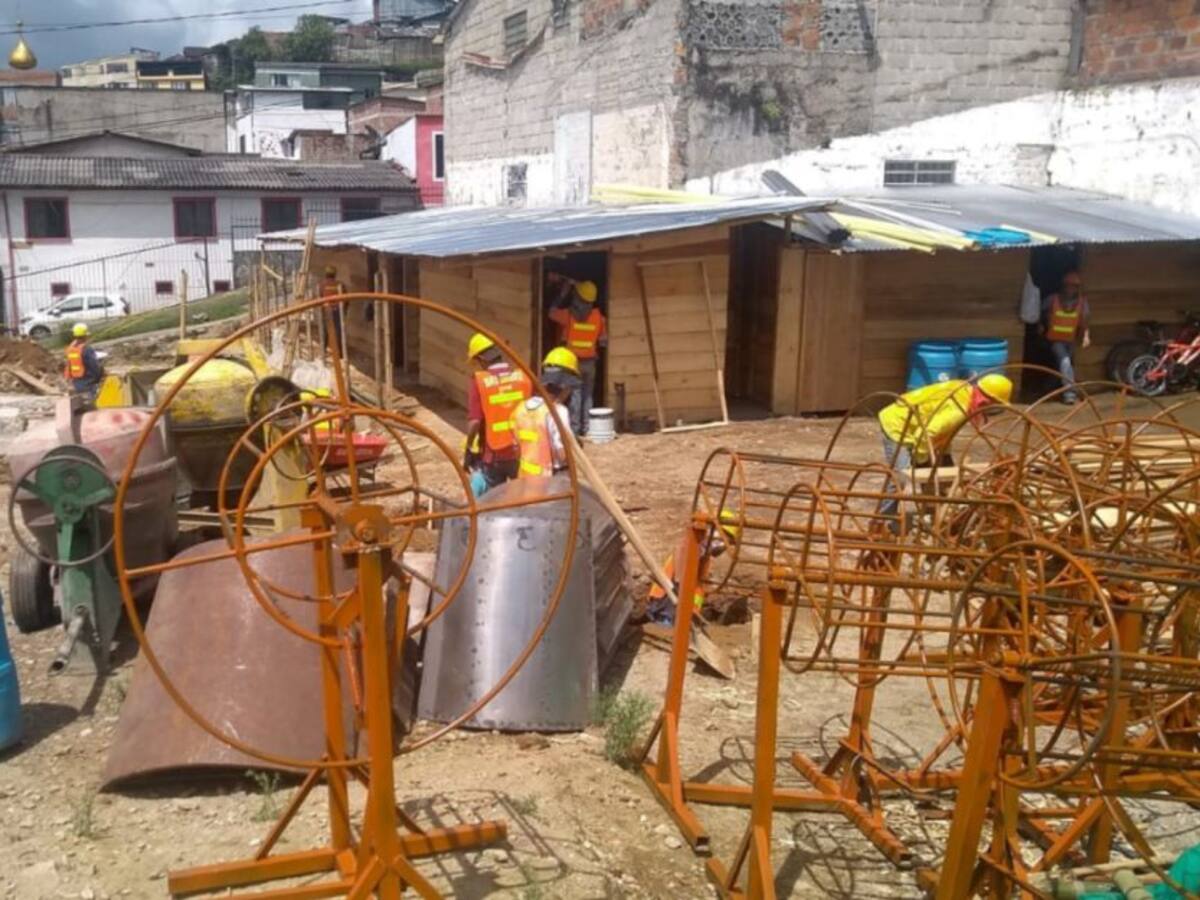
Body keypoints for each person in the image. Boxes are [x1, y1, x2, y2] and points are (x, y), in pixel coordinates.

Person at [876, 373, 1013, 525]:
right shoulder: (958, 411)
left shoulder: (964, 389)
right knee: (900, 475)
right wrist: (922, 460)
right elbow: (925, 434)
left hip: (916, 422)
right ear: (985, 401)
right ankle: (885, 519)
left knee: (937, 469)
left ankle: (932, 512)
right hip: (898, 425)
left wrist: (943, 456)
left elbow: (942, 430)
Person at [645, 510, 740, 626]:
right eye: (725, 539)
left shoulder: (702, 555)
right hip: (665, 604)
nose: (724, 545)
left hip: (679, 609)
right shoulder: (690, 548)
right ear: (712, 530)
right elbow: (679, 578)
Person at [464, 332, 532, 495]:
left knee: (495, 499)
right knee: (522, 497)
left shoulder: (480, 381)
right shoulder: (523, 377)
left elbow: (475, 422)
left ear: (481, 359)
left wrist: (469, 447)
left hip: (494, 453)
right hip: (521, 450)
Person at [547, 278, 606, 436]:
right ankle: (587, 427)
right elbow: (603, 341)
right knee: (588, 395)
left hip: (573, 363)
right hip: (590, 362)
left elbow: (551, 312)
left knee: (575, 395)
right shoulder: (599, 317)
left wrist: (562, 294)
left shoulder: (568, 315)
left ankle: (575, 429)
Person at [512, 347, 580, 479]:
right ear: (565, 387)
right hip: (551, 480)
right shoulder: (558, 412)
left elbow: (517, 448)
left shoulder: (521, 408)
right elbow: (562, 454)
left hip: (526, 478)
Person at [1041, 271, 1090, 404]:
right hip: (1055, 340)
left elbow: (1084, 320)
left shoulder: (1082, 302)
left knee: (1062, 366)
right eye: (1068, 285)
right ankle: (1070, 394)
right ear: (1063, 286)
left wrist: (1086, 336)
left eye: (1074, 286)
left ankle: (1048, 386)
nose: (1071, 289)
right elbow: (1040, 312)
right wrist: (1041, 326)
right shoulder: (1052, 299)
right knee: (1065, 362)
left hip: (1071, 340)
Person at [62, 323, 104, 403]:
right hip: (89, 382)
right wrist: (100, 375)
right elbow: (94, 367)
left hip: (76, 383)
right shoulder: (86, 349)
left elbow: (68, 365)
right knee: (92, 402)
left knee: (82, 402)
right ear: (85, 336)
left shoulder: (70, 349)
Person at [321, 265, 346, 352]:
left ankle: (323, 349)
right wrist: (344, 310)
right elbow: (346, 299)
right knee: (338, 330)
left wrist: (322, 309)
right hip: (338, 310)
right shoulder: (340, 284)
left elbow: (320, 298)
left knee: (326, 329)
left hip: (327, 309)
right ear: (335, 274)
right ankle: (340, 351)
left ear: (326, 274)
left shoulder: (322, 285)